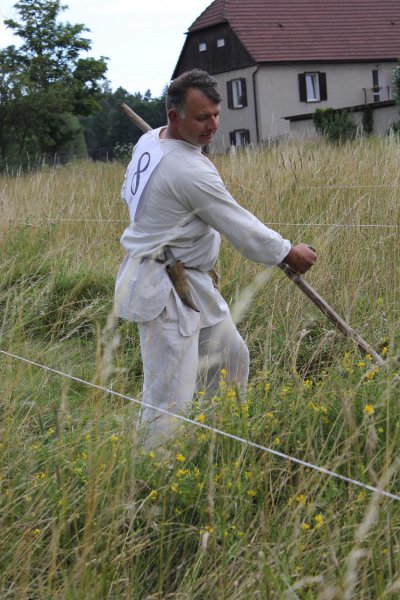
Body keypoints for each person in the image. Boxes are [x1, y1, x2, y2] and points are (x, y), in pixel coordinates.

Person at [114, 69, 316, 449]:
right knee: (167, 397)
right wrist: (288, 252)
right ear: (174, 117)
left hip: (189, 280)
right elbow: (240, 226)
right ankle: (154, 471)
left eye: (216, 114)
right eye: (201, 117)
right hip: (163, 288)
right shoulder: (188, 169)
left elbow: (131, 193)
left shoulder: (150, 140)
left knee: (230, 358)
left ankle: (216, 444)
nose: (213, 125)